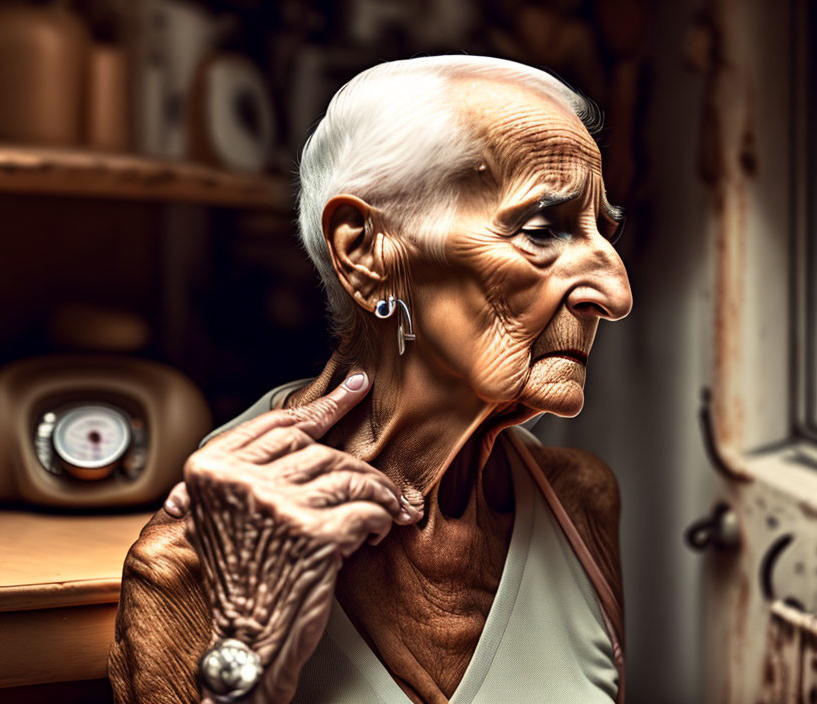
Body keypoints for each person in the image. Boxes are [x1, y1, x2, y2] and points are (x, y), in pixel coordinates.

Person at [109, 55, 632, 704]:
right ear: (367, 253)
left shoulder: (580, 503)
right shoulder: (212, 547)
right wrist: (248, 644)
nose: (614, 292)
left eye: (602, 232)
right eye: (541, 229)